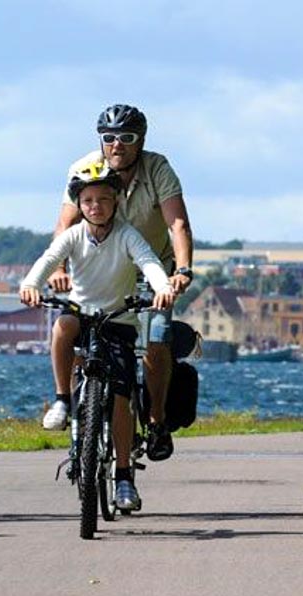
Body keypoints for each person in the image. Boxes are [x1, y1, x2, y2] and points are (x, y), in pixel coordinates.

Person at [43, 104, 194, 462]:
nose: (117, 145)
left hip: (151, 269)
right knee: (81, 334)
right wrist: (57, 268)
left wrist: (182, 271)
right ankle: (76, 405)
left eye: (127, 138)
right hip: (99, 268)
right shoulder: (83, 168)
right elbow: (65, 225)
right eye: (109, 138)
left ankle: (156, 420)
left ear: (140, 141)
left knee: (156, 339)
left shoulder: (158, 168)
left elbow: (177, 225)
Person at [19, 164, 175, 511]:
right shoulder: (73, 235)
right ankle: (62, 399)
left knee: (122, 396)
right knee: (63, 326)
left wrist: (162, 287)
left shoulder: (127, 234)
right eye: (88, 200)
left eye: (104, 199)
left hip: (118, 318)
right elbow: (49, 259)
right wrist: (30, 284)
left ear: (116, 201)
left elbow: (148, 261)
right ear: (80, 203)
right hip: (82, 313)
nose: (96, 206)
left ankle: (122, 477)